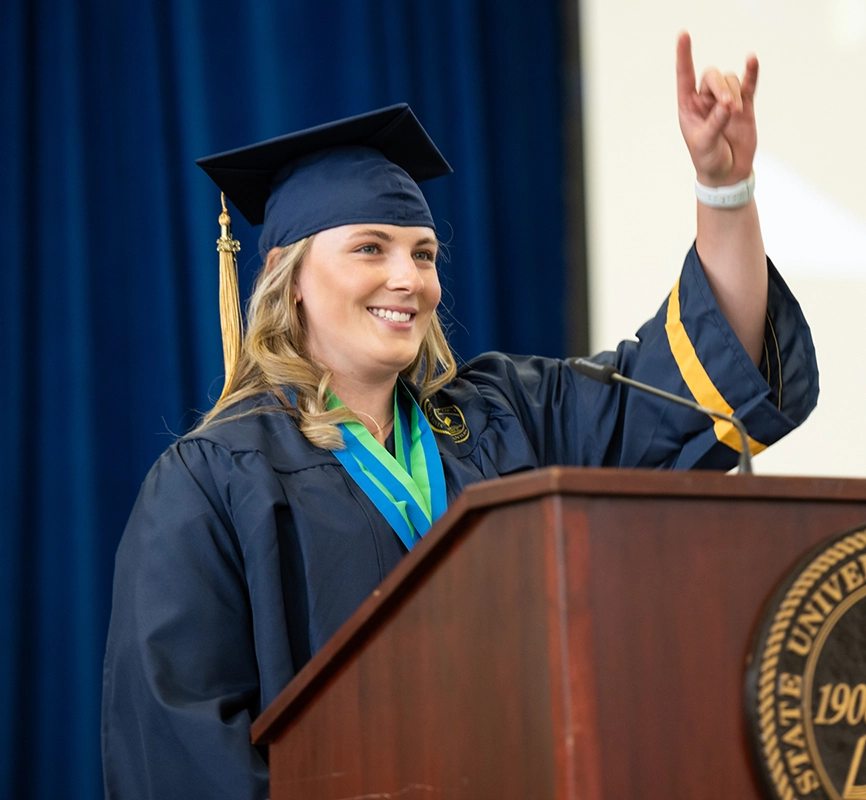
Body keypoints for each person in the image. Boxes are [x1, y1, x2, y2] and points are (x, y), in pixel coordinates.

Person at [101, 33, 818, 799]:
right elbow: (178, 754)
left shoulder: (505, 416)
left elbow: (705, 376)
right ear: (288, 277)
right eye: (370, 249)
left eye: (424, 253)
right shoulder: (211, 484)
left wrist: (723, 188)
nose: (407, 278)